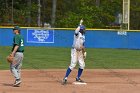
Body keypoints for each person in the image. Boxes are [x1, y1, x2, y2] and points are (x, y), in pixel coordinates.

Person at [62, 19, 86, 85]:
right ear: (81, 29)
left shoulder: (83, 36)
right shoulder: (77, 34)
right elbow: (76, 30)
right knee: (73, 64)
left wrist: (84, 52)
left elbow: (83, 45)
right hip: (74, 50)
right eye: (83, 29)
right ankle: (65, 78)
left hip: (80, 52)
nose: (84, 30)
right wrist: (80, 24)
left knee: (82, 65)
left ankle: (78, 77)